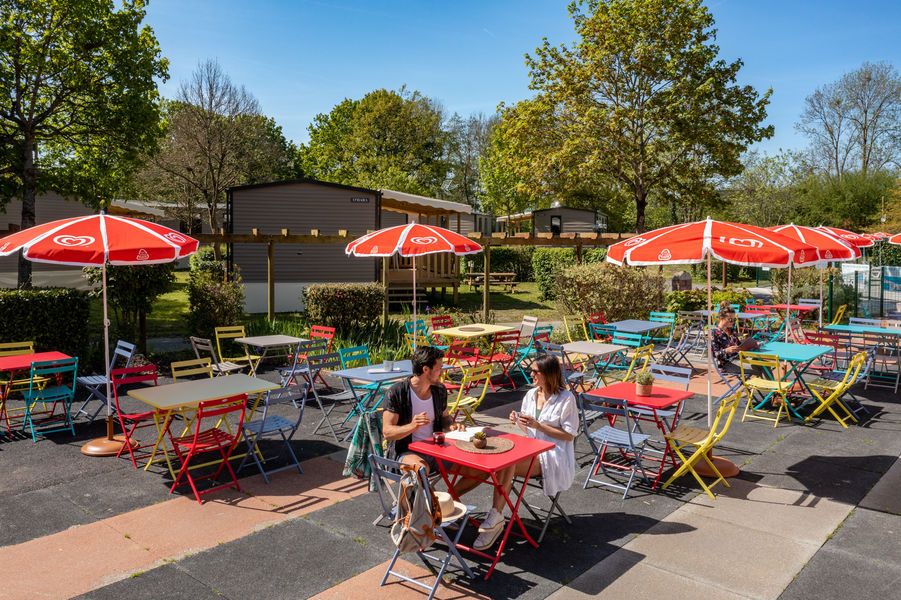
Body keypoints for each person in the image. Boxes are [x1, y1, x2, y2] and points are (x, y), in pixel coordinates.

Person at [451, 354, 578, 551]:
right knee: (493, 459)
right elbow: (529, 428)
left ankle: (495, 516)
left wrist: (539, 426)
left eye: (535, 371)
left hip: (553, 455)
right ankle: (451, 500)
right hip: (530, 448)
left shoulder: (565, 399)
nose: (531, 374)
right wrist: (517, 420)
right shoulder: (531, 395)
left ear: (548, 374)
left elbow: (569, 435)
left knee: (508, 462)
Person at [382, 346, 465, 474]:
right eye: (439, 368)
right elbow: (387, 432)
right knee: (420, 470)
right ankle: (429, 494)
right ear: (426, 369)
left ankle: (451, 495)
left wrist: (452, 426)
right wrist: (412, 426)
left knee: (477, 466)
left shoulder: (439, 390)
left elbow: (445, 418)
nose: (442, 372)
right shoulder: (397, 392)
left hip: (437, 449)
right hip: (406, 452)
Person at [710, 307, 759, 374]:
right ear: (721, 318)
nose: (733, 322)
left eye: (734, 319)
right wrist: (726, 350)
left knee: (762, 364)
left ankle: (764, 384)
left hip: (739, 359)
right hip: (726, 364)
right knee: (759, 367)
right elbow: (715, 354)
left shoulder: (732, 330)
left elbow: (739, 345)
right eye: (730, 319)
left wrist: (751, 345)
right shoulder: (714, 332)